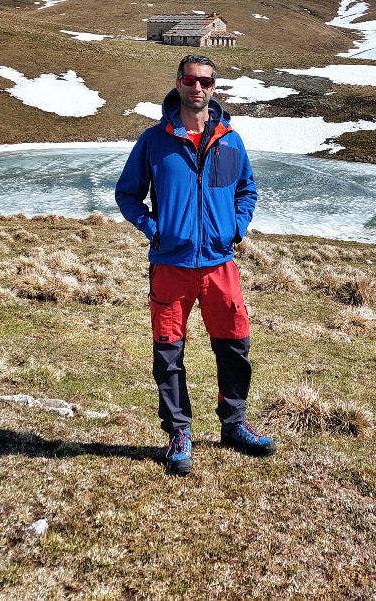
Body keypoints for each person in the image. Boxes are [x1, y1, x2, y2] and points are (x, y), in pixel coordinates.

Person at [115, 53, 276, 475]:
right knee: (169, 351)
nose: (197, 88)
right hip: (171, 264)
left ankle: (235, 424)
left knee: (235, 346)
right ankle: (178, 433)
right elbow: (127, 194)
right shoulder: (154, 140)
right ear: (178, 83)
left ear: (214, 87)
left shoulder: (230, 140)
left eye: (205, 81)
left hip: (220, 263)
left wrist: (236, 228)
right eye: (190, 80)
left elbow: (246, 190)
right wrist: (155, 229)